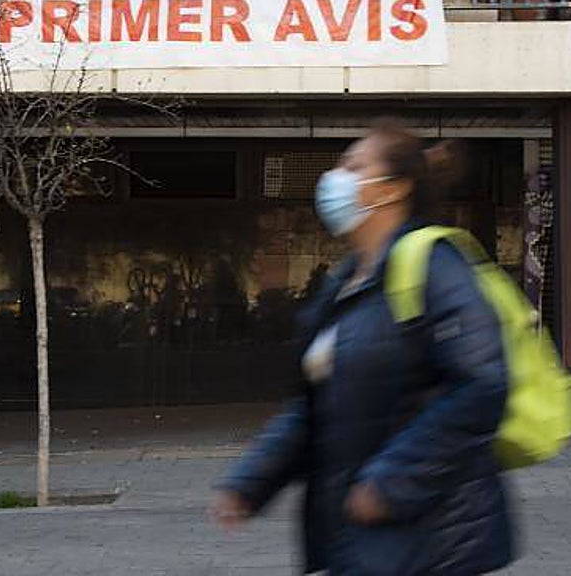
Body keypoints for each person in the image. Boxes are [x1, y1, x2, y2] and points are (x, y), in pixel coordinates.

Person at [211, 121, 515, 575]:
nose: (336, 179)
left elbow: (482, 384)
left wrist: (393, 482)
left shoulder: (434, 264)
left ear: (391, 189)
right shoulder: (345, 284)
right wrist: (251, 481)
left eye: (354, 167)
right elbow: (313, 406)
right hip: (359, 532)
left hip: (431, 539)